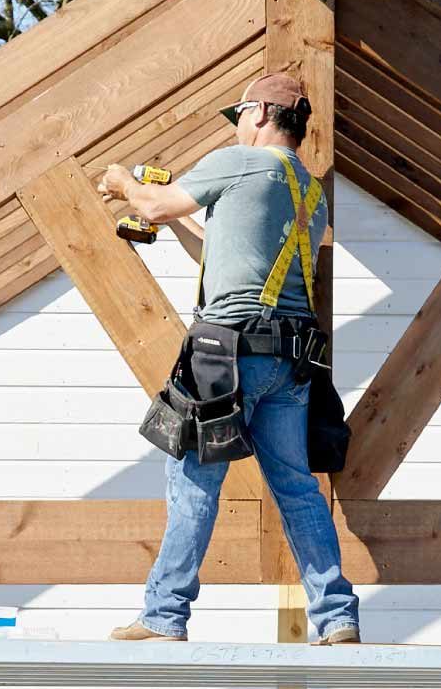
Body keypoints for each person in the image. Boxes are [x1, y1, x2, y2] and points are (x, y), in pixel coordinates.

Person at [96, 71, 361, 645]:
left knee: (193, 481)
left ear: (262, 111)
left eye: (240, 114)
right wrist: (172, 221)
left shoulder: (239, 162)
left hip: (229, 353)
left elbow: (150, 201)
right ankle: (336, 617)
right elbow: (217, 251)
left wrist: (125, 182)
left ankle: (164, 616)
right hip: (289, 361)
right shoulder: (309, 191)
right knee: (296, 488)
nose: (238, 125)